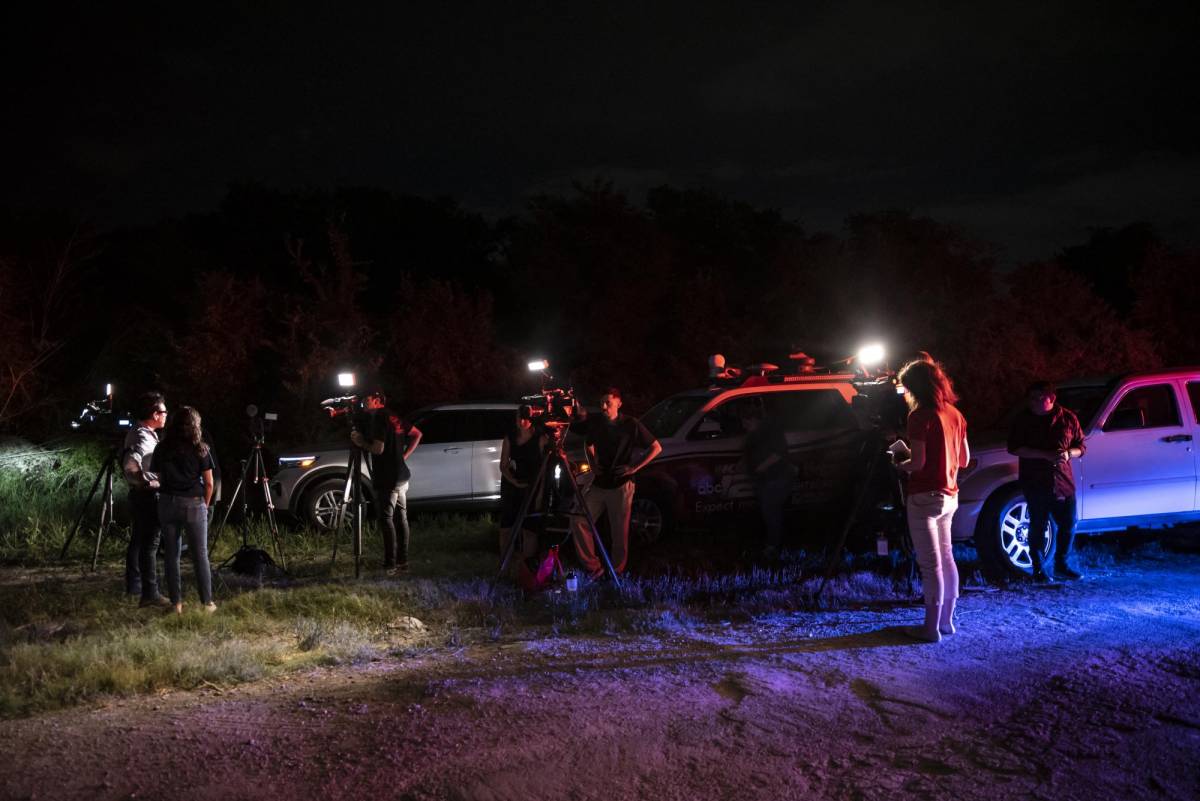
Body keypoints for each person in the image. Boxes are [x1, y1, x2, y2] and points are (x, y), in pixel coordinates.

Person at [893, 358, 969, 643]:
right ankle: (947, 622)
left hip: (924, 495)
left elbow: (919, 463)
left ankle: (929, 628)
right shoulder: (955, 414)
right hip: (950, 496)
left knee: (930, 564)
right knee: (948, 559)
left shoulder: (920, 417)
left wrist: (900, 463)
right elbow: (964, 460)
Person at [570, 387, 662, 578]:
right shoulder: (598, 423)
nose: (604, 407)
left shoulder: (631, 424)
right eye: (602, 403)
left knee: (619, 532)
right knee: (579, 519)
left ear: (619, 403)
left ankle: (616, 572)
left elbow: (656, 447)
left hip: (621, 484)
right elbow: (588, 444)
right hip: (599, 483)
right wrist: (593, 465)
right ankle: (593, 567)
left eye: (608, 403)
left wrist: (634, 468)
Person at [1007, 381, 1086, 582]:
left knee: (1069, 524)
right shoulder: (1023, 420)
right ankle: (1039, 569)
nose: (1033, 402)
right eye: (1031, 398)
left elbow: (1081, 446)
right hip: (1035, 481)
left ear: (1051, 398)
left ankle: (1062, 565)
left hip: (1063, 482)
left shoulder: (1068, 418)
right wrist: (1045, 455)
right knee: (1038, 526)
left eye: (1038, 397)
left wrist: (1069, 453)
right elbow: (1015, 448)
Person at [350, 391, 422, 573]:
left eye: (366, 400)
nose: (363, 404)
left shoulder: (379, 419)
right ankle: (402, 562)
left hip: (388, 478)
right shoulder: (393, 417)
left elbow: (378, 448)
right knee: (401, 518)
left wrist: (360, 442)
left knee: (387, 519)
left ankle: (390, 564)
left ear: (377, 401)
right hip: (401, 475)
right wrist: (402, 456)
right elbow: (417, 434)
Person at [153, 405, 216, 614]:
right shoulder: (201, 448)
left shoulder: (162, 448)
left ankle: (176, 603)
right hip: (194, 503)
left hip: (168, 502)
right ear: (195, 424)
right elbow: (209, 484)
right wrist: (204, 506)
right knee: (200, 554)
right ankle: (207, 603)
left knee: (171, 555)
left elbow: (159, 478)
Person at [121, 391, 170, 607]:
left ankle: (136, 587)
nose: (167, 415)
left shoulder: (146, 433)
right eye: (164, 411)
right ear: (154, 414)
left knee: (140, 542)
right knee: (148, 544)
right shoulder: (141, 435)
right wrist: (146, 482)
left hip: (142, 495)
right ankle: (149, 592)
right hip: (146, 496)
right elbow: (131, 464)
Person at [739, 400, 794, 559]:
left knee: (770, 510)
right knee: (767, 510)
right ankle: (770, 542)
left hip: (778, 477)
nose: (744, 426)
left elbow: (778, 453)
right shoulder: (752, 435)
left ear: (754, 419)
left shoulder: (770, 431)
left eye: (746, 422)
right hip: (764, 479)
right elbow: (748, 454)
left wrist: (761, 467)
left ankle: (773, 546)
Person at [499, 409, 548, 568]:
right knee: (507, 525)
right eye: (518, 419)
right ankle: (506, 562)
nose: (521, 423)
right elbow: (503, 465)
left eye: (524, 419)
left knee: (529, 526)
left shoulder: (539, 439)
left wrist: (539, 492)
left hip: (531, 486)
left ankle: (527, 564)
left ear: (531, 420)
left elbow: (543, 468)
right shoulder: (510, 437)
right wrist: (513, 481)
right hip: (511, 485)